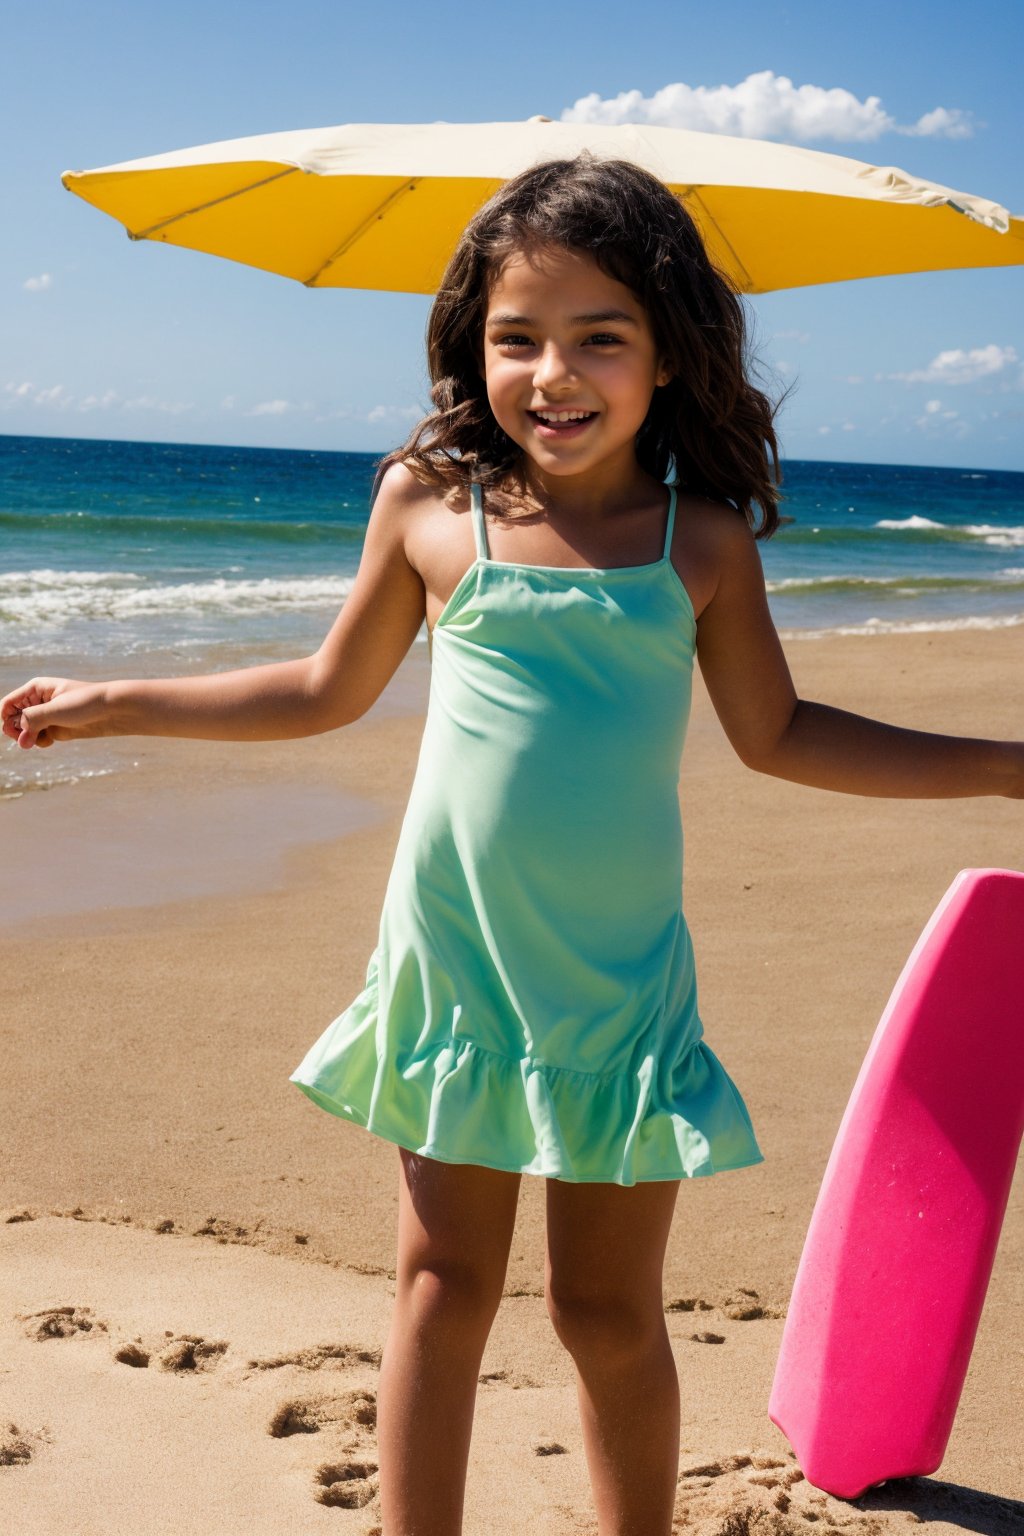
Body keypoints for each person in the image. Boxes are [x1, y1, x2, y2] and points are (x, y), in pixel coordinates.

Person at [3, 154, 1021, 1536]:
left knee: (608, 1310)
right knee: (441, 1288)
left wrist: (1007, 770)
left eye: (602, 336)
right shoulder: (430, 507)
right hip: (459, 967)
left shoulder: (700, 541)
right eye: (517, 336)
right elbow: (324, 690)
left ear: (671, 356)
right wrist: (124, 696)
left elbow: (780, 733)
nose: (555, 371)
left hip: (616, 982)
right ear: (469, 346)